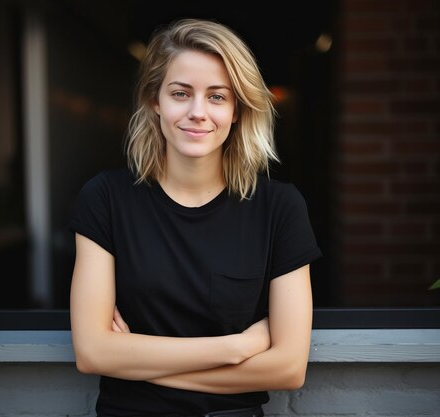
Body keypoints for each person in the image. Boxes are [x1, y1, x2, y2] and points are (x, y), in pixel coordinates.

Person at [68, 17, 322, 417]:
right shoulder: (105, 198)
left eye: (217, 96)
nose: (198, 112)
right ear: (155, 100)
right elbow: (92, 352)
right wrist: (233, 348)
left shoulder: (279, 208)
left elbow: (288, 368)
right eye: (181, 93)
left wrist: (140, 364)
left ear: (237, 109)